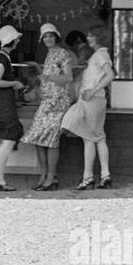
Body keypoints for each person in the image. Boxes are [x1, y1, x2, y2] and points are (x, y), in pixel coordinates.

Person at [61, 24, 115, 190]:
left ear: (98, 37)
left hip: (92, 99)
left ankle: (91, 176)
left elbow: (110, 75)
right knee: (92, 137)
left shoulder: (101, 55)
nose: (88, 38)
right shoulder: (98, 55)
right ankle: (97, 175)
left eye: (91, 35)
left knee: (93, 136)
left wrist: (93, 90)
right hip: (90, 99)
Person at [23, 23, 76, 192]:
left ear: (57, 37)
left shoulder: (62, 53)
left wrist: (45, 75)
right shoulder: (48, 54)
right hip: (46, 101)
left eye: (51, 35)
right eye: (45, 36)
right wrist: (38, 72)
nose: (48, 39)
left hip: (58, 102)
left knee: (52, 139)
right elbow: (47, 78)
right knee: (38, 137)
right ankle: (44, 174)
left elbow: (68, 77)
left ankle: (51, 177)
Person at [0, 24, 25, 192]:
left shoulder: (1, 57)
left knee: (3, 141)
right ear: (12, 40)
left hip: (0, 104)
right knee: (10, 137)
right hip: (4, 105)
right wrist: (15, 83)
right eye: (16, 39)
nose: (18, 41)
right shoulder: (3, 59)